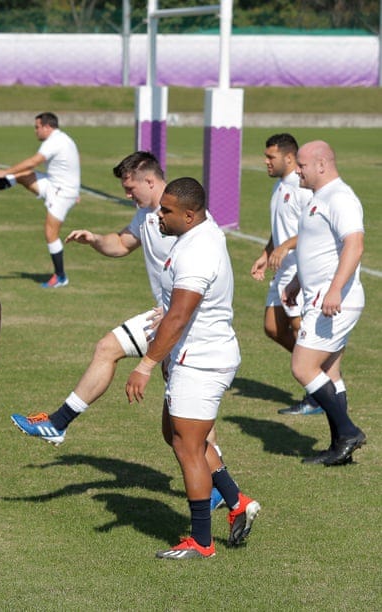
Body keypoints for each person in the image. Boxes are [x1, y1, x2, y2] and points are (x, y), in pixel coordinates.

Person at [9, 152, 238, 512]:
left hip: (182, 325)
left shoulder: (183, 221)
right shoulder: (151, 214)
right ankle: (59, 423)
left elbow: (199, 278)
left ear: (149, 181)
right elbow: (121, 243)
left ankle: (224, 492)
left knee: (188, 421)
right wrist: (94, 239)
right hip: (169, 319)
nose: (128, 194)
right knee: (116, 356)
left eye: (130, 188)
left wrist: (171, 314)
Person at [125, 177, 259, 560]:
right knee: (177, 435)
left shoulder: (196, 252)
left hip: (201, 360)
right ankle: (237, 501)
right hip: (196, 355)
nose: (159, 215)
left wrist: (147, 363)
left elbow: (179, 315)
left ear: (189, 214)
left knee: (188, 447)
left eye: (166, 211)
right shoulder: (200, 231)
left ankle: (201, 541)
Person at [286, 140, 367, 466]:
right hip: (318, 296)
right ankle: (339, 448)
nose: (298, 170)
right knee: (330, 371)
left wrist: (334, 290)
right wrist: (296, 281)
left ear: (321, 164)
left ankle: (348, 432)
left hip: (334, 301)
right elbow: (313, 246)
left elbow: (355, 245)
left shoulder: (341, 197)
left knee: (303, 367)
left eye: (302, 165)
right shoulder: (317, 198)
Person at [0, 112, 80, 288]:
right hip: (54, 184)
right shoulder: (62, 139)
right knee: (22, 176)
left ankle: (61, 276)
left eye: (37, 127)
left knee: (50, 234)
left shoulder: (55, 142)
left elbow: (33, 162)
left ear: (47, 127)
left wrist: (4, 172)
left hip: (61, 193)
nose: (35, 131)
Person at [249, 133, 319, 415]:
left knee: (298, 329)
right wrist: (267, 254)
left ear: (289, 157)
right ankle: (319, 371)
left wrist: (286, 247)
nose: (266, 162)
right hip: (281, 266)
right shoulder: (280, 187)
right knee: (272, 327)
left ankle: (317, 391)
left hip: (298, 269)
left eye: (270, 157)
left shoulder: (302, 188)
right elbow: (281, 227)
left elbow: (313, 229)